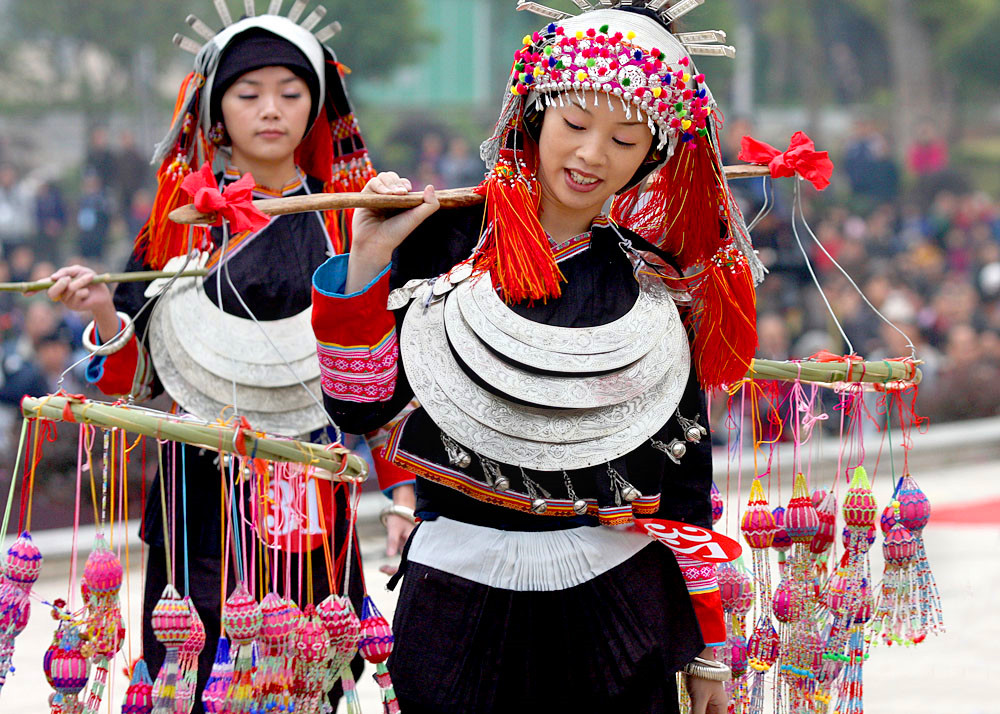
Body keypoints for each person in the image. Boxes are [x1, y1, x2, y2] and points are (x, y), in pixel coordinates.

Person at [311, 3, 762, 712]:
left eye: (622, 138)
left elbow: (684, 477)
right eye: (576, 125)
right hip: (455, 593)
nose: (590, 156)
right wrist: (367, 254)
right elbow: (357, 404)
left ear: (650, 156)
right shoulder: (440, 240)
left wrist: (709, 645)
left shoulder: (651, 280)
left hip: (615, 596)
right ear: (535, 114)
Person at [40, 10, 377, 712]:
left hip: (308, 480)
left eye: (290, 91)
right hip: (199, 492)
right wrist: (105, 310)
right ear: (216, 109)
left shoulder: (348, 221)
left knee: (309, 669)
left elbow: (382, 367)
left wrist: (402, 496)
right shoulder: (179, 227)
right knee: (195, 670)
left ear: (315, 104)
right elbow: (140, 383)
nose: (271, 109)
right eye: (248, 92)